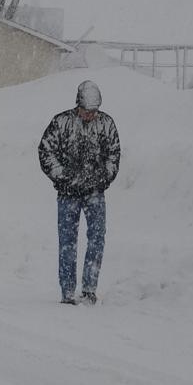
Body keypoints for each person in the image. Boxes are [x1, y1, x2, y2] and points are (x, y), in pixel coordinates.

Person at [38, 80, 121, 305]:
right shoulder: (61, 123)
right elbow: (46, 152)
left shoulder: (107, 125)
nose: (89, 116)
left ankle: (89, 289)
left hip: (95, 193)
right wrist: (62, 177)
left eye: (93, 112)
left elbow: (113, 154)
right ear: (78, 105)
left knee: (96, 239)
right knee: (67, 242)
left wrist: (103, 178)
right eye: (86, 111)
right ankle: (67, 292)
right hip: (67, 194)